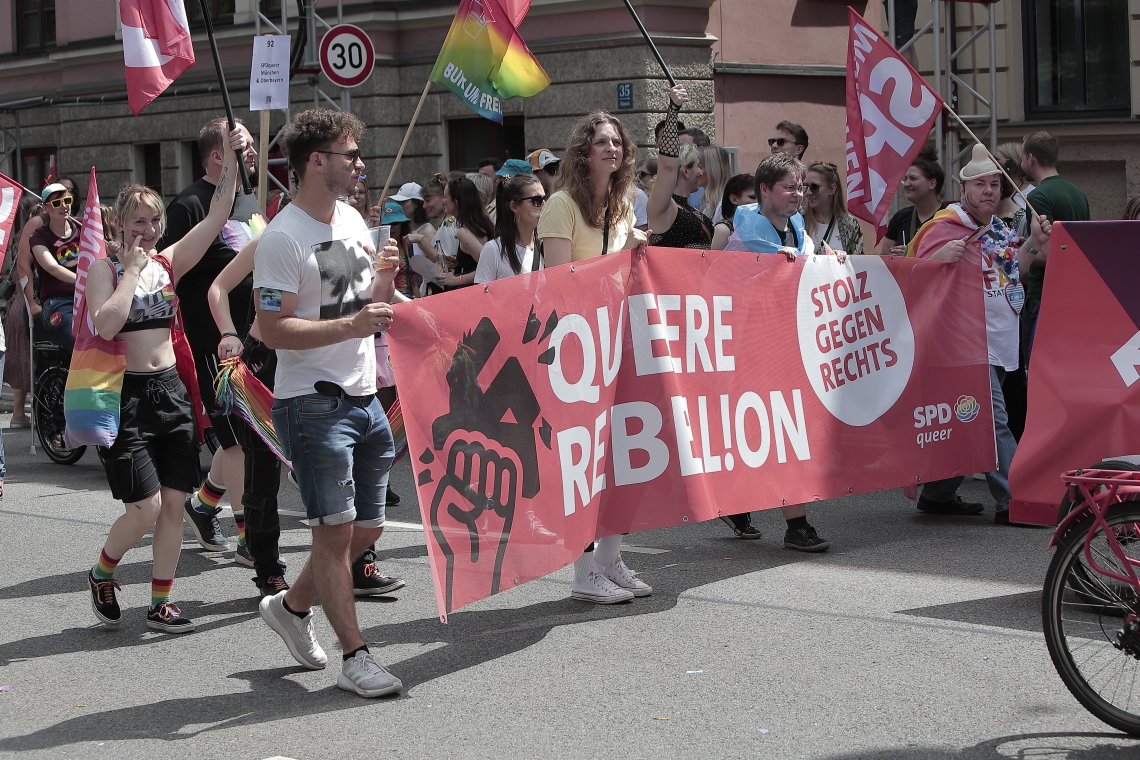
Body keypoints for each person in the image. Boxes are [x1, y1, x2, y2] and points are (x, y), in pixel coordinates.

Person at [254, 107, 404, 697]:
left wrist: (385, 278)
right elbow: (272, 329)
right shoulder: (282, 237)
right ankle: (355, 657)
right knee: (334, 536)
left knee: (368, 527)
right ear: (316, 162)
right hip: (312, 406)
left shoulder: (352, 219)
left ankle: (291, 607)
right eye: (350, 155)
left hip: (365, 399)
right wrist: (352, 326)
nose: (360, 164)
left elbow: (365, 305)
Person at [84, 128, 246, 634]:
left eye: (155, 220)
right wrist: (131, 272)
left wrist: (234, 155)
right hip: (126, 398)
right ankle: (102, 572)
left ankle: (161, 602)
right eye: (140, 221)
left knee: (175, 503)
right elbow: (106, 325)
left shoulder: (167, 261)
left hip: (171, 393)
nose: (151, 230)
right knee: (146, 507)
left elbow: (219, 213)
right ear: (119, 223)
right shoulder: (105, 270)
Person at [538, 108, 649, 603]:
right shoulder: (560, 205)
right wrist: (621, 255)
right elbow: (560, 283)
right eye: (602, 141)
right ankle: (583, 570)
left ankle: (609, 557)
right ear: (583, 152)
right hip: (574, 348)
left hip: (615, 340)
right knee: (581, 460)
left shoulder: (623, 205)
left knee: (621, 453)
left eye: (617, 142)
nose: (612, 149)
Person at [909, 144, 1052, 524]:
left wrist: (1034, 242)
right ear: (963, 189)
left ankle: (937, 494)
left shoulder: (998, 229)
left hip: (999, 340)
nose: (989, 190)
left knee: (966, 419)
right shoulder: (943, 227)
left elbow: (1014, 272)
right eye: (980, 184)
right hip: (963, 345)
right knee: (992, 419)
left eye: (994, 184)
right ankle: (1016, 500)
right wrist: (938, 259)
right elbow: (908, 276)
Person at [158, 116, 259, 562]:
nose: (252, 152)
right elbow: (167, 276)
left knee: (244, 434)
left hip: (255, 340)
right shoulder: (189, 205)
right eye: (243, 145)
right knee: (237, 442)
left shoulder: (248, 199)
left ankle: (204, 505)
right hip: (213, 344)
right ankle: (249, 537)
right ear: (219, 155)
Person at [723, 153, 834, 550]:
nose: (798, 194)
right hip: (747, 347)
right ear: (764, 190)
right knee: (778, 431)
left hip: (787, 343)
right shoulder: (746, 233)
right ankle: (795, 524)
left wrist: (828, 262)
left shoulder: (798, 228)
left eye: (801, 187)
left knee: (777, 432)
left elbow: (804, 268)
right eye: (789, 187)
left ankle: (738, 501)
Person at [1020, 130, 1090, 362]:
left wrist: (1021, 252)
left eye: (1022, 157)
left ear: (1031, 158)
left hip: (1044, 295)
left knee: (1037, 367)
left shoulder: (1038, 197)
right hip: (1074, 295)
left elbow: (1047, 252)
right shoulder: (1078, 194)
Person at [647, 85, 712, 249]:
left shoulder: (690, 207)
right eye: (698, 166)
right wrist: (673, 109)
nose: (701, 171)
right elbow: (667, 166)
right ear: (685, 170)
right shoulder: (663, 207)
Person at [29, 183, 81, 353]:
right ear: (45, 208)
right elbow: (52, 267)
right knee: (79, 343)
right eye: (57, 203)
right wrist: (83, 281)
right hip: (58, 303)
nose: (64, 206)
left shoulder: (84, 226)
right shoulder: (38, 236)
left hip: (89, 298)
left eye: (67, 200)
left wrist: (111, 249)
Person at [3, 194, 38, 429]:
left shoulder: (18, 241)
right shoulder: (35, 244)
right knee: (30, 359)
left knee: (20, 359)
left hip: (16, 305)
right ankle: (28, 413)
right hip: (26, 304)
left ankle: (18, 413)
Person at [475, 173, 546, 283]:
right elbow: (481, 292)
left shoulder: (546, 246)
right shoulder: (493, 250)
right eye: (536, 201)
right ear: (514, 206)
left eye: (544, 199)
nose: (544, 205)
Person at [879, 147, 945, 255]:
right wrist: (894, 257)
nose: (906, 184)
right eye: (906, 179)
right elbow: (884, 258)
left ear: (932, 184)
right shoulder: (901, 217)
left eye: (913, 179)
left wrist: (911, 255)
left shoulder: (950, 217)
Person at [433, 176, 494, 290]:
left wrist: (456, 280)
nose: (442, 201)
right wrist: (458, 261)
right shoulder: (481, 222)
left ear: (456, 202)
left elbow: (489, 267)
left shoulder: (464, 232)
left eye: (445, 197)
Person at [802, 161, 864, 255]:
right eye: (806, 186)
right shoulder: (797, 218)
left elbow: (858, 261)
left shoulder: (850, 225)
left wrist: (842, 258)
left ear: (832, 189)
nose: (808, 192)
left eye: (814, 187)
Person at [710, 173, 755, 250]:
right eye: (753, 197)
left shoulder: (761, 226)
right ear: (734, 199)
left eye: (761, 198)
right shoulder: (723, 230)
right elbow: (715, 257)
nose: (758, 202)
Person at [994, 142, 1034, 210]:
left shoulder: (1032, 194)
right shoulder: (992, 191)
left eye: (996, 159)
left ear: (1011, 164)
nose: (992, 162)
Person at [699, 147, 733, 223]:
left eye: (699, 167)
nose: (697, 171)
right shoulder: (709, 205)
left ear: (711, 170)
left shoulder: (724, 207)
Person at [632, 157, 657, 230]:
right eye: (636, 173)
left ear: (655, 177)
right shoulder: (635, 195)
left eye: (642, 174)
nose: (637, 178)